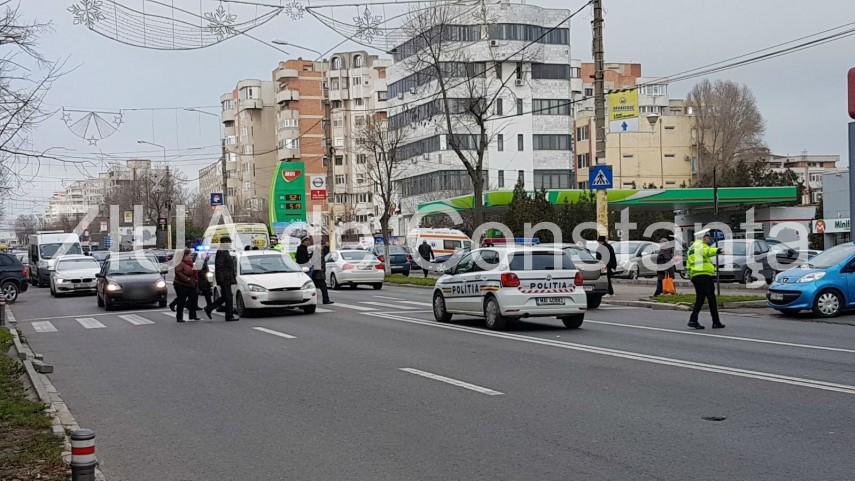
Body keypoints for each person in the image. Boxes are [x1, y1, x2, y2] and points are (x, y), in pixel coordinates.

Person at [686, 229, 725, 329]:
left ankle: (693, 320)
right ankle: (715, 322)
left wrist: (691, 275)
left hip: (696, 276)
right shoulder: (701, 246)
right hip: (704, 275)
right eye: (708, 237)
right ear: (703, 238)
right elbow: (707, 252)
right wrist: (718, 250)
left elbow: (688, 263)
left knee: (700, 298)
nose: (709, 239)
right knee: (711, 298)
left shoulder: (691, 248)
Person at [204, 236, 239, 322]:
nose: (230, 244)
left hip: (226, 278)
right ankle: (229, 315)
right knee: (228, 297)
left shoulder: (224, 252)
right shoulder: (221, 252)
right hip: (225, 279)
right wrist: (221, 279)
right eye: (229, 242)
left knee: (225, 297)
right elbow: (219, 267)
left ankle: (209, 308)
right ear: (225, 242)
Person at [172, 249, 200, 323]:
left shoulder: (190, 263)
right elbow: (178, 272)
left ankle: (193, 316)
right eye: (190, 255)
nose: (191, 256)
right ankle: (179, 317)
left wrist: (195, 278)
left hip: (191, 284)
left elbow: (194, 272)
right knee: (181, 301)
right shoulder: (180, 263)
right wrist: (186, 279)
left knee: (193, 300)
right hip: (181, 284)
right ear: (185, 256)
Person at [312, 240, 333, 305]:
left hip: (319, 273)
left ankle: (324, 300)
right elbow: (315, 263)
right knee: (323, 288)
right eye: (321, 245)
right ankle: (325, 300)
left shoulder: (320, 252)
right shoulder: (316, 253)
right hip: (318, 274)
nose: (322, 246)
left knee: (317, 288)